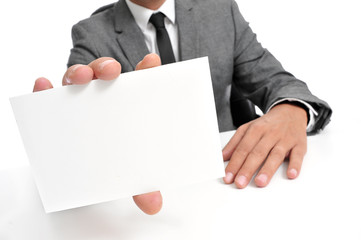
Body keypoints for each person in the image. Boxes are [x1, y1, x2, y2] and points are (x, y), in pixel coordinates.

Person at [33, 0, 332, 215]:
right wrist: (71, 120)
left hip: (229, 184)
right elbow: (81, 89)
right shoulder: (92, 33)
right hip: (153, 193)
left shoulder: (220, 9)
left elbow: (274, 79)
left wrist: (292, 109)